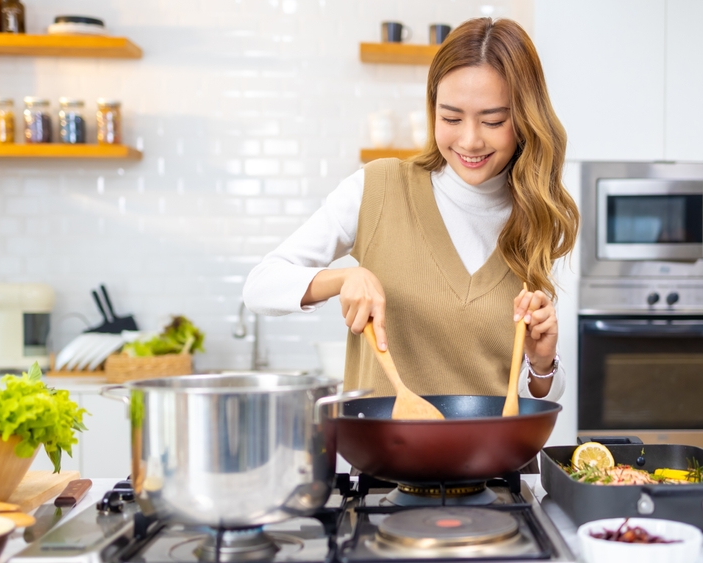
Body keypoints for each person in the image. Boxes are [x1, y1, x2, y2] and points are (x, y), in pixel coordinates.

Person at [244, 17, 578, 402]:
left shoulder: (536, 215)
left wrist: (542, 363)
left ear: (524, 119)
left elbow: (534, 397)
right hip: (381, 459)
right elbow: (260, 286)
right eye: (451, 118)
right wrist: (343, 279)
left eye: (493, 121)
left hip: (491, 459)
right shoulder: (378, 188)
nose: (470, 140)